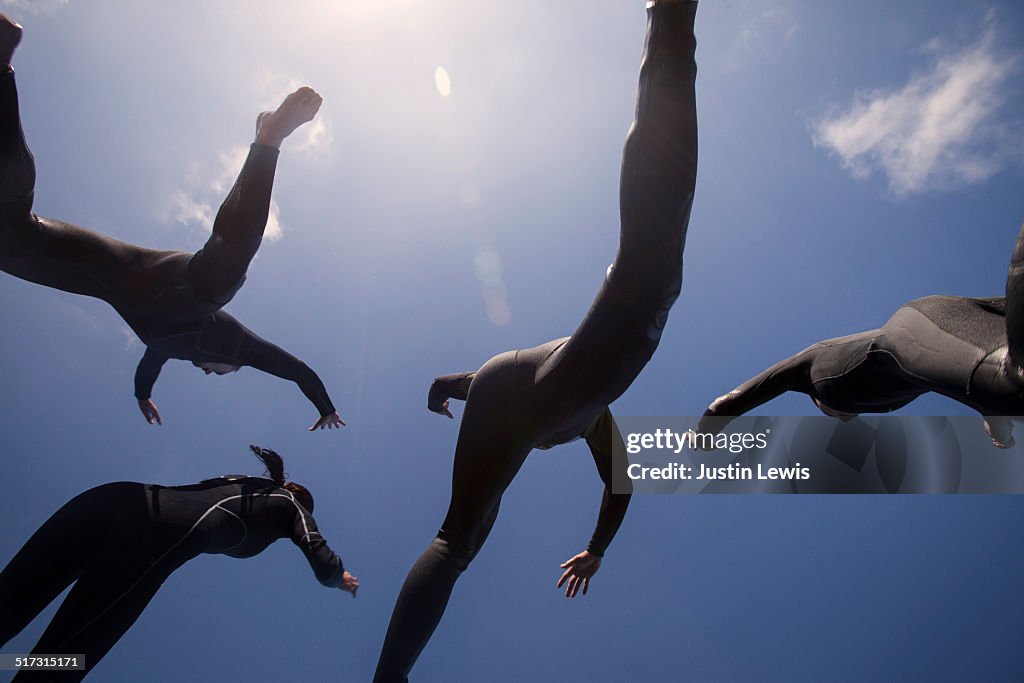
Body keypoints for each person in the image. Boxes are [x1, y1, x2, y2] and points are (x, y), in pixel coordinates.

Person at [373, 1, 699, 679]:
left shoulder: (586, 416)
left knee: (459, 539)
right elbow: (622, 483)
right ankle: (670, 19)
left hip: (504, 379)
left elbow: (620, 482)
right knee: (456, 539)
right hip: (519, 377)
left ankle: (670, 19)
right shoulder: (588, 420)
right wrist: (597, 547)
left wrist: (448, 386)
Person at [0, 13, 344, 431]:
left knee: (14, 242)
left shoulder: (166, 351)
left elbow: (147, 371)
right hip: (190, 287)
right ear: (228, 364)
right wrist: (324, 406)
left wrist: (142, 396)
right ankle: (268, 142)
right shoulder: (234, 345)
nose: (207, 372)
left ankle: (2, 65)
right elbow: (290, 366)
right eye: (219, 372)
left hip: (119, 276)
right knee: (224, 262)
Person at [0, 445, 359, 681]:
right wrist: (336, 574)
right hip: (147, 543)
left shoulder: (243, 485)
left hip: (111, 498)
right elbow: (314, 545)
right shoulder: (288, 502)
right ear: (301, 500)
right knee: (60, 663)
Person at [698, 224, 1024, 449]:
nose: (843, 420)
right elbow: (965, 381)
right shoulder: (896, 388)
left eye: (825, 411)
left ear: (817, 398)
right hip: (949, 329)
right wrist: (998, 427)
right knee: (1007, 391)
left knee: (1012, 385)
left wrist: (705, 433)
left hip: (918, 324)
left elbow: (734, 400)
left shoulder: (809, 368)